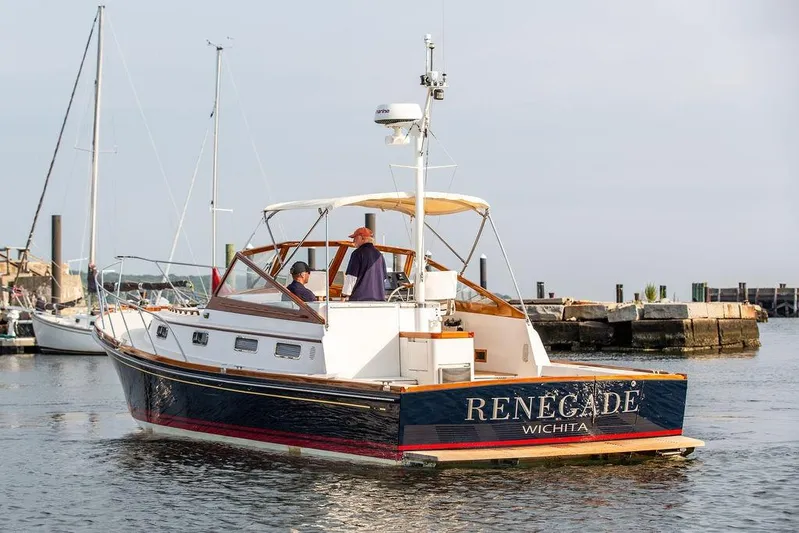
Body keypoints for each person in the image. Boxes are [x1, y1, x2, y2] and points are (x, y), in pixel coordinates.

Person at [342, 227, 387, 302]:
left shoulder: (357, 253)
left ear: (362, 238)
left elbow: (351, 277)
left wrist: (344, 295)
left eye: (355, 238)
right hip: (379, 301)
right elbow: (384, 279)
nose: (353, 241)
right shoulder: (379, 255)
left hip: (360, 300)